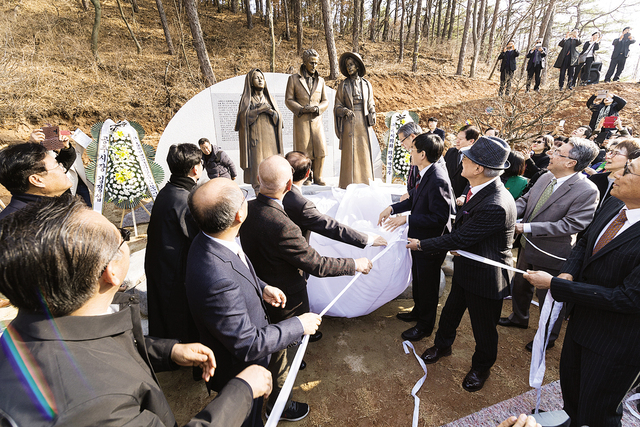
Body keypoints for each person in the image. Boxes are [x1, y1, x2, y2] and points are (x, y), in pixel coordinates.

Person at [0, 196, 273, 427]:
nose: (127, 243)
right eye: (124, 238)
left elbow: (96, 346)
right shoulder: (95, 405)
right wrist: (242, 391)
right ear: (111, 272)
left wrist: (166, 351)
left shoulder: (33, 327)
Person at [239, 155, 372, 420]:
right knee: (283, 354)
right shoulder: (283, 225)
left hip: (259, 289)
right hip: (286, 299)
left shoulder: (247, 208)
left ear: (257, 180)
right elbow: (318, 264)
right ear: (289, 185)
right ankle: (280, 405)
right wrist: (354, 264)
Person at [185, 177, 322, 427]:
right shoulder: (216, 277)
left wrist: (262, 286)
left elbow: (236, 268)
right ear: (239, 214)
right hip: (240, 371)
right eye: (242, 194)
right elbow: (248, 344)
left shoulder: (212, 238)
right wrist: (299, 325)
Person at [524, 149, 640, 426]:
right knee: (573, 390)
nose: (616, 174)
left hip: (616, 341)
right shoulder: (614, 204)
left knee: (600, 409)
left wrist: (555, 286)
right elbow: (586, 242)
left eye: (628, 170)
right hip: (581, 323)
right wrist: (567, 272)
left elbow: (628, 298)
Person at [407, 136, 516, 393]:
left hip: (487, 278)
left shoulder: (496, 203)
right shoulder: (478, 189)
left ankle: (481, 367)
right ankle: (443, 345)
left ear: (478, 168)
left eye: (466, 158)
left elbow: (460, 237)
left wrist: (422, 244)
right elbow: (466, 232)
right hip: (466, 267)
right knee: (450, 313)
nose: (461, 160)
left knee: (483, 328)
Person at [499, 138, 599, 352]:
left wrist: (526, 227)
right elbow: (525, 201)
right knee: (520, 285)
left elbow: (571, 224)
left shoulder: (587, 190)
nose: (551, 154)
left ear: (570, 163)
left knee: (548, 298)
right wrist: (507, 211)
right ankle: (519, 317)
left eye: (558, 152)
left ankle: (547, 336)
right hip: (527, 245)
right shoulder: (546, 177)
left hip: (552, 253)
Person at [378, 133, 454, 341]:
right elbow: (415, 201)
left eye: (412, 149)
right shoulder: (425, 172)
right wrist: (392, 208)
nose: (409, 152)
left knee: (428, 285)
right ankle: (418, 312)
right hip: (419, 240)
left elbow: (439, 218)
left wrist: (407, 220)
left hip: (430, 242)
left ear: (422, 154)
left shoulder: (437, 178)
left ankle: (425, 326)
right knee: (419, 279)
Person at [145, 144, 202, 344]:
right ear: (196, 168)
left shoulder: (170, 189)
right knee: (180, 315)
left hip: (160, 263)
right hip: (173, 269)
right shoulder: (186, 199)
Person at [283, 150, 387, 249]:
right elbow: (332, 227)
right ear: (307, 174)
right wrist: (368, 239)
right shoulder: (301, 204)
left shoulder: (274, 192)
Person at [285, 49, 329, 185]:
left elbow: (325, 100)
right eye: (311, 63)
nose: (314, 66)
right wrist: (301, 109)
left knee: (321, 149)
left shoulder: (321, 81)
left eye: (316, 63)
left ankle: (318, 176)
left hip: (316, 120)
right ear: (304, 62)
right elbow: (289, 99)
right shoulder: (293, 79)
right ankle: (306, 177)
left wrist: (317, 108)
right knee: (304, 151)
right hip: (302, 120)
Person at [235, 68, 283, 189]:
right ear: (251, 82)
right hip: (255, 139)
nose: (260, 80)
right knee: (257, 164)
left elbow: (279, 118)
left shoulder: (269, 98)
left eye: (262, 78)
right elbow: (243, 118)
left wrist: (271, 112)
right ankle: (257, 188)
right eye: (257, 78)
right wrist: (259, 110)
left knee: (271, 164)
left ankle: (272, 185)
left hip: (270, 139)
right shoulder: (247, 99)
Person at [334, 52, 377, 189]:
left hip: (363, 121)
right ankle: (348, 182)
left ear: (358, 66)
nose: (349, 68)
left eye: (351, 65)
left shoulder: (366, 84)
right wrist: (345, 111)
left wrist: (373, 112)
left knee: (364, 150)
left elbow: (371, 102)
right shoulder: (343, 85)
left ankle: (365, 180)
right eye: (347, 66)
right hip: (349, 122)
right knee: (349, 153)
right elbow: (337, 106)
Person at [0, 143, 72, 220]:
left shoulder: (49, 209)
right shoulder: (19, 225)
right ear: (36, 180)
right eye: (57, 166)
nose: (64, 169)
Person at [588, 139, 640, 210]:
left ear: (630, 160)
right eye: (610, 151)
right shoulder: (595, 178)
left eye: (616, 153)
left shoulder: (629, 188)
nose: (608, 156)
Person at [443, 124, 480, 198]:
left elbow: (474, 180)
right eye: (457, 138)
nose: (457, 141)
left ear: (471, 141)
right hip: (445, 195)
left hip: (463, 200)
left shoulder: (477, 158)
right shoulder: (451, 152)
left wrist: (464, 195)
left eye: (460, 139)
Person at [397, 122, 423, 199]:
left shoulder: (426, 153)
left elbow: (425, 183)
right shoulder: (414, 154)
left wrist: (410, 194)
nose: (402, 144)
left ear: (412, 136)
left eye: (402, 140)